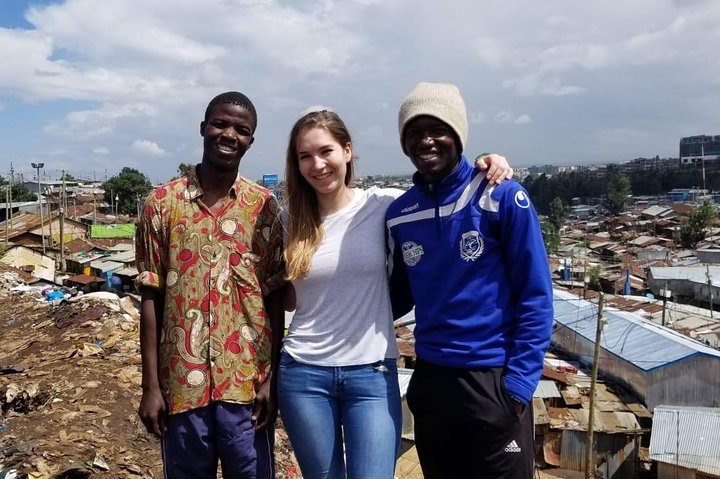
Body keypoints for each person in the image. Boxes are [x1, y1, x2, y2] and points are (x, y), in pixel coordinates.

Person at [277, 109, 513, 479]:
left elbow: (445, 193)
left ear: (348, 151)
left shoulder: (384, 205)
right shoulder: (288, 220)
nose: (318, 165)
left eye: (326, 151)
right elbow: (279, 293)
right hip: (303, 373)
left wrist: (489, 163)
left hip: (370, 372)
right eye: (305, 156)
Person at [386, 82, 554, 479]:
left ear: (457, 134)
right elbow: (397, 297)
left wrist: (518, 385)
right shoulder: (399, 213)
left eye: (437, 129)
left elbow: (536, 294)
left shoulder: (502, 196)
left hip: (493, 379)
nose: (426, 140)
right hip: (432, 381)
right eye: (413, 132)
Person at [135, 91, 285, 479]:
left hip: (246, 387)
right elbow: (150, 296)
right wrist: (150, 385)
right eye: (220, 123)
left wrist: (273, 378)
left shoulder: (264, 207)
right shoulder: (161, 205)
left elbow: (274, 296)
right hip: (182, 386)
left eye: (241, 129)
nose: (228, 134)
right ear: (203, 128)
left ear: (251, 140)